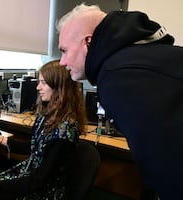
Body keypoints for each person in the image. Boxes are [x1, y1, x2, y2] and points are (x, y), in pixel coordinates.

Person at [57, 3, 183, 200]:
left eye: (64, 50)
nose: (62, 61)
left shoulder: (117, 76)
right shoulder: (140, 57)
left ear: (87, 42)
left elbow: (169, 168)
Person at [0, 60, 86, 200]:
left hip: (42, 190)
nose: (38, 87)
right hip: (30, 174)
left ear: (59, 87)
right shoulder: (48, 116)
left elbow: (39, 180)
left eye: (43, 83)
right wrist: (2, 140)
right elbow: (35, 147)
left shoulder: (65, 132)